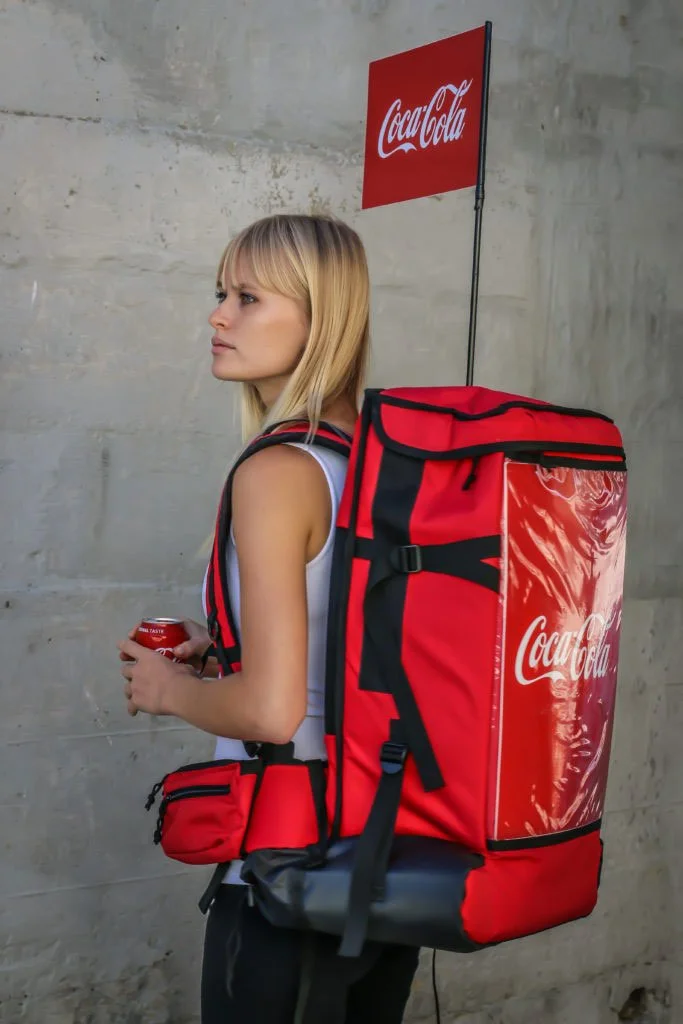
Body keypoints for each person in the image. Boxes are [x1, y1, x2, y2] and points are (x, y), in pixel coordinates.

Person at [118, 214, 420, 1024]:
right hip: (385, 866)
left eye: (248, 297)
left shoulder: (279, 471)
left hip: (286, 880)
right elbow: (349, 650)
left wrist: (163, 690)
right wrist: (223, 649)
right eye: (221, 294)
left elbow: (270, 710)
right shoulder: (377, 462)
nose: (218, 315)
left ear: (318, 317)